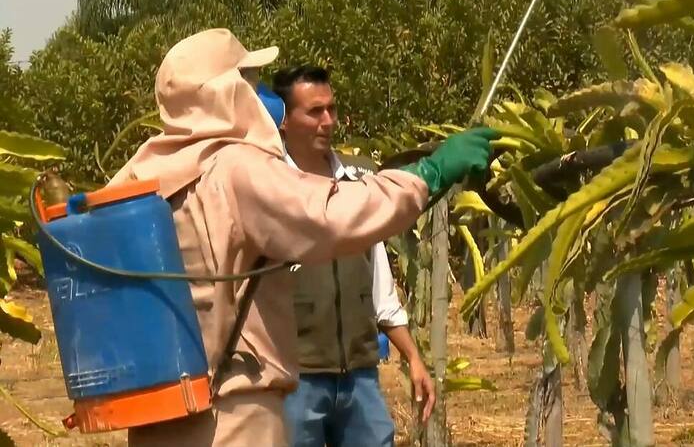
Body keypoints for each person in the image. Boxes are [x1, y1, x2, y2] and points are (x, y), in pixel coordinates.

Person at [106, 28, 499, 446]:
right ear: (225, 93)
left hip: (163, 413)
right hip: (234, 415)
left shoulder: (138, 175)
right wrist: (429, 173)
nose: (256, 94)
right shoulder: (235, 170)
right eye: (248, 81)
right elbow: (330, 216)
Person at [266, 65, 434, 447]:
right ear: (284, 121)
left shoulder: (358, 183)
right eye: (314, 112)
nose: (327, 121)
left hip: (359, 375)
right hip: (295, 378)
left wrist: (412, 356)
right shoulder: (269, 188)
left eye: (331, 109)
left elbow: (380, 285)